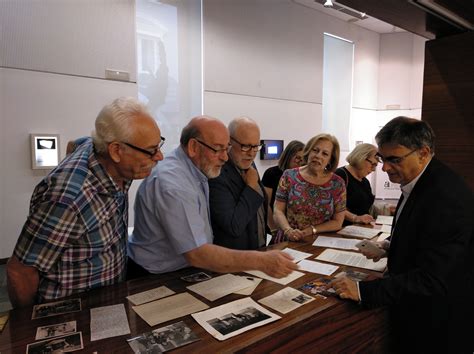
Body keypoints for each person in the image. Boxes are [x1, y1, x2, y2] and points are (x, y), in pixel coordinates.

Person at [331, 117, 473, 353]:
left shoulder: (446, 197)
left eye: (393, 159)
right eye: (381, 159)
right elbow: (425, 236)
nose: (384, 168)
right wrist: (389, 246)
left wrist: (361, 291)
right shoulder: (419, 180)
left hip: (437, 327)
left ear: (423, 153)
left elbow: (433, 278)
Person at [7, 97, 164, 307]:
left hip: (108, 302)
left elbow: (76, 143)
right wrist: (27, 327)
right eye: (151, 150)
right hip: (70, 312)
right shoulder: (70, 198)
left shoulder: (99, 149)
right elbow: (20, 272)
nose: (160, 156)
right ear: (116, 151)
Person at [127, 116, 298, 279]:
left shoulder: (196, 168)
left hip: (184, 268)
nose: (224, 157)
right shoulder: (174, 184)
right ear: (193, 147)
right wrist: (261, 261)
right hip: (158, 275)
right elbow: (197, 253)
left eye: (226, 149)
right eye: (218, 149)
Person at [273, 134, 346, 242]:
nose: (318, 156)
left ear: (330, 159)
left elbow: (337, 222)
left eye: (325, 154)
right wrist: (288, 230)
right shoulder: (289, 176)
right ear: (308, 151)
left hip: (321, 242)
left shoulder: (337, 183)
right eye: (315, 150)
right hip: (289, 239)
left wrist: (311, 230)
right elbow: (278, 210)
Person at [208, 117, 267, 250]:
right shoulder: (217, 174)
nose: (252, 153)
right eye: (246, 146)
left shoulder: (248, 162)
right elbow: (233, 225)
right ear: (229, 141)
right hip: (234, 257)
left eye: (256, 146)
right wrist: (251, 187)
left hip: (258, 249)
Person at [262, 140, 304, 232]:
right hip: (275, 225)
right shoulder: (271, 173)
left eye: (302, 159)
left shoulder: (303, 177)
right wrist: (273, 228)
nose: (300, 162)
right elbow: (266, 204)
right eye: (297, 158)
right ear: (288, 156)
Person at [334, 143, 378, 225]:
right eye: (373, 164)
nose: (374, 169)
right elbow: (333, 206)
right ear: (361, 157)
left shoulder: (365, 182)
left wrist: (386, 209)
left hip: (360, 230)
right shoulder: (339, 175)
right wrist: (356, 218)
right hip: (341, 230)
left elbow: (366, 206)